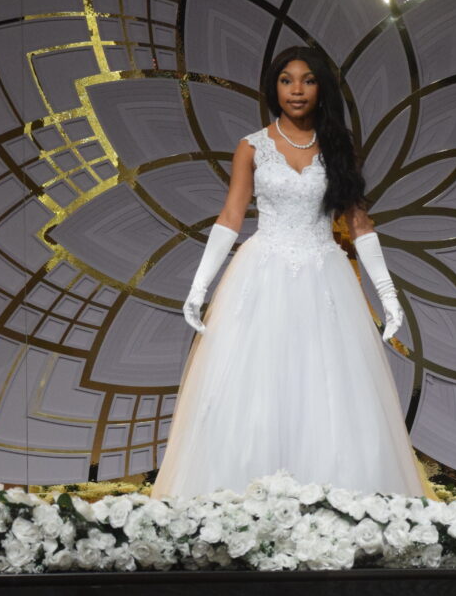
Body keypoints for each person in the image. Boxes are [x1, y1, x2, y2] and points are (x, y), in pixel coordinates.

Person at [150, 46, 428, 498]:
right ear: (273, 87)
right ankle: (244, 501)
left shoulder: (337, 149)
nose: (296, 90)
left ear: (322, 89)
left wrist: (388, 296)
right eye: (286, 80)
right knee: (254, 390)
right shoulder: (252, 146)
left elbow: (360, 224)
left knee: (329, 391)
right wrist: (199, 287)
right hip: (263, 275)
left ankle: (332, 506)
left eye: (307, 80)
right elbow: (230, 216)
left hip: (324, 279)